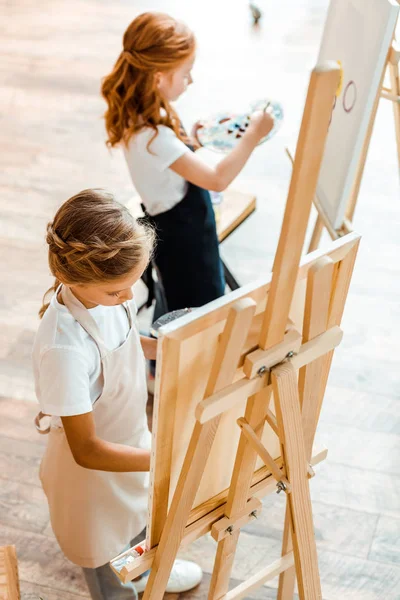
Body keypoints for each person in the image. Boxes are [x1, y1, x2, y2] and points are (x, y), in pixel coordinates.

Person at [32, 189, 203, 599]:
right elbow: (87, 450)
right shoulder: (64, 348)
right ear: (73, 277)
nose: (128, 298)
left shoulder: (105, 298)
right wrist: (166, 460)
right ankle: (124, 588)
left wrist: (159, 348)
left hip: (130, 443)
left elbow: (122, 340)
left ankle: (143, 573)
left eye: (131, 286)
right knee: (108, 556)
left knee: (140, 520)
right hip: (91, 480)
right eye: (117, 292)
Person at [101, 11, 274, 314]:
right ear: (158, 77)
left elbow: (166, 163)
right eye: (185, 73)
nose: (190, 80)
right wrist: (253, 136)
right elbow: (217, 179)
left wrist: (192, 142)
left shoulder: (139, 118)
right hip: (186, 245)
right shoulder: (153, 137)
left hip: (177, 236)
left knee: (179, 307)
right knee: (196, 316)